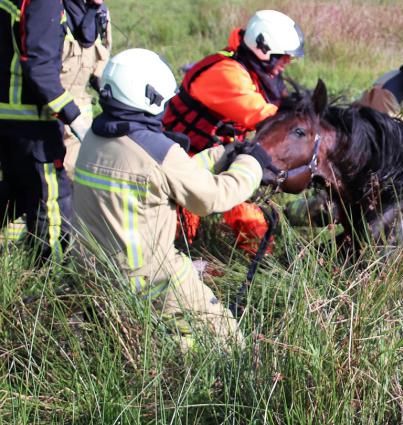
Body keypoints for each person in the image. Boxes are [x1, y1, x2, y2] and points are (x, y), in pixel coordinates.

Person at [73, 48, 279, 352]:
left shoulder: (95, 137)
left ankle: (163, 348)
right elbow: (212, 198)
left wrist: (221, 155)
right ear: (150, 98)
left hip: (93, 270)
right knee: (228, 337)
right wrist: (252, 163)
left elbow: (160, 179)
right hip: (150, 278)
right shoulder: (159, 153)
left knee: (159, 333)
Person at [162, 9, 303, 254]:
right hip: (184, 159)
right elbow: (264, 116)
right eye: (284, 57)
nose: (287, 63)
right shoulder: (227, 74)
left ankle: (262, 263)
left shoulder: (255, 70)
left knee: (251, 221)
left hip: (221, 156)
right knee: (180, 230)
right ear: (263, 49)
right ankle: (178, 257)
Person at [0, 0, 89, 260]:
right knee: (51, 200)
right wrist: (74, 117)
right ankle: (52, 274)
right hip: (32, 121)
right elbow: (39, 68)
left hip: (8, 116)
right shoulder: (43, 2)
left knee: (18, 189)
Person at [61, 0, 111, 180]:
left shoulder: (101, 14)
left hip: (81, 118)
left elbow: (100, 65)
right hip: (47, 113)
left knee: (75, 176)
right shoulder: (49, 11)